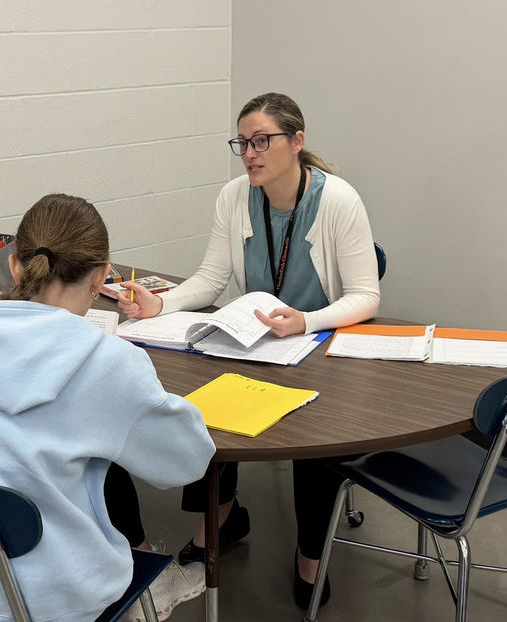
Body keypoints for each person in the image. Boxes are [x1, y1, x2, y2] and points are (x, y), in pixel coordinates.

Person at [0, 194, 217, 622]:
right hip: (57, 603)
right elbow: (186, 462)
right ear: (101, 277)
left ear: (14, 266)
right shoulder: (107, 363)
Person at [116, 92, 380, 609]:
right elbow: (211, 278)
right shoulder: (235, 196)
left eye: (262, 141)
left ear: (297, 141)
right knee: (205, 406)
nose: (250, 154)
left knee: (316, 442)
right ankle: (221, 516)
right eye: (243, 143)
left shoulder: (337, 200)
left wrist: (306, 320)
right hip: (259, 342)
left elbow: (367, 296)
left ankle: (311, 555)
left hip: (321, 344)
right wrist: (161, 304)